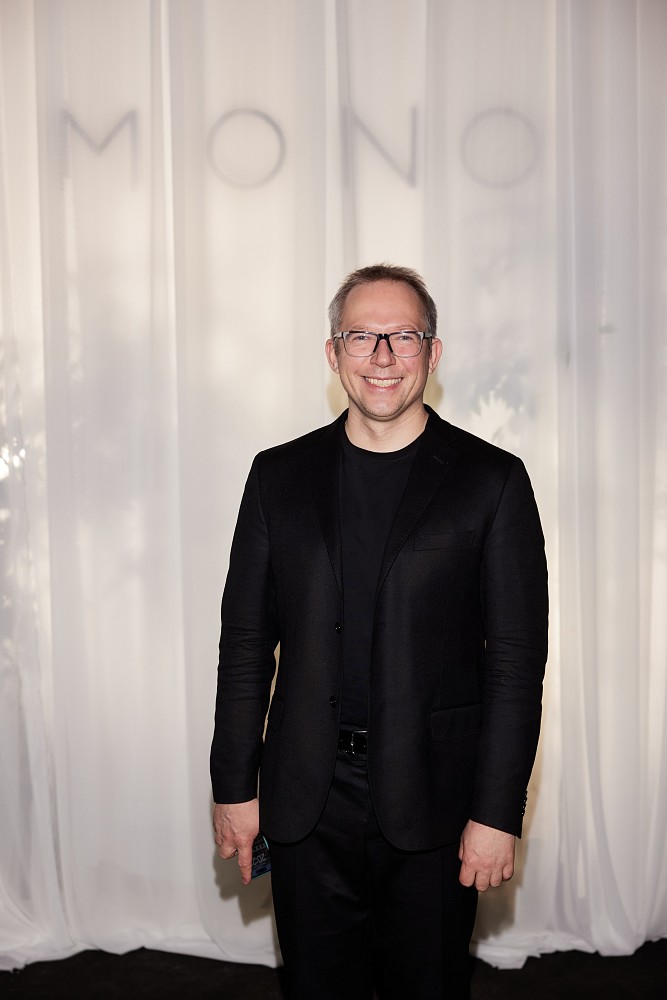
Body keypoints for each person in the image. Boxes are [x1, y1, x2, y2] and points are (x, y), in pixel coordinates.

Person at [211, 264, 548, 1000]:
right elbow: (245, 647)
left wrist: (496, 813)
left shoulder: (492, 481)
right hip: (306, 797)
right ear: (333, 353)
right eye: (361, 336)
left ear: (434, 352)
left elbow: (515, 665)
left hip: (436, 796)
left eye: (404, 336)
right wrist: (234, 787)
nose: (383, 356)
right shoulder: (276, 476)